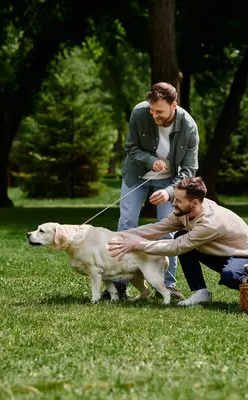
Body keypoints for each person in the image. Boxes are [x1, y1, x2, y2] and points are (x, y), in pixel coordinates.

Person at [106, 82, 199, 301]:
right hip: (136, 175)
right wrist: (151, 161)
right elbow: (131, 148)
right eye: (152, 110)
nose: (154, 114)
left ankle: (166, 286)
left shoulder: (189, 127)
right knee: (127, 224)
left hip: (171, 181)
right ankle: (119, 284)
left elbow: (189, 170)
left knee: (168, 230)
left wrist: (168, 192)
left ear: (173, 105)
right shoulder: (139, 113)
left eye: (160, 111)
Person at [107, 177, 248, 307]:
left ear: (194, 203)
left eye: (178, 201)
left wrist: (137, 244)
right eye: (174, 198)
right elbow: (157, 228)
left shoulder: (210, 222)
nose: (173, 204)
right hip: (219, 253)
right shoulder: (185, 211)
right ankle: (201, 293)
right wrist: (115, 235)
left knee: (230, 276)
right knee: (181, 234)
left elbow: (176, 247)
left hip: (245, 257)